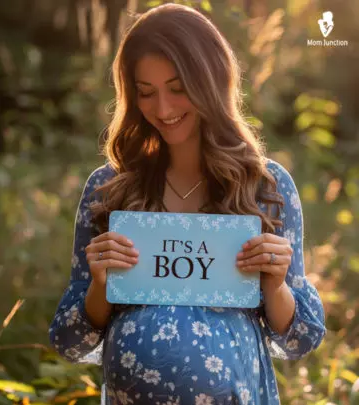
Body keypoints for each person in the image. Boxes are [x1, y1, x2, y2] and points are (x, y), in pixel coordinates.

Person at [49, 3, 326, 404]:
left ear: (212, 81)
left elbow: (301, 338)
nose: (163, 109)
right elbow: (69, 340)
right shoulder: (109, 189)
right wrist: (99, 286)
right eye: (146, 93)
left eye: (178, 89)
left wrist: (276, 285)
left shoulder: (265, 187)